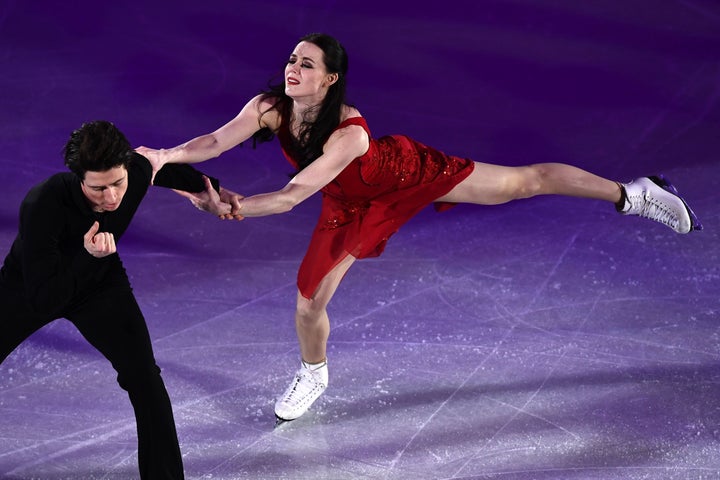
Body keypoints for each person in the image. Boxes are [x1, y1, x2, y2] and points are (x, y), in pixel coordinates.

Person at [136, 33, 701, 424]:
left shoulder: (350, 135)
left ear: (330, 80)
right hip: (348, 203)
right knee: (308, 302)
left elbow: (288, 198)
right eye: (292, 59)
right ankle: (314, 374)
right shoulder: (268, 106)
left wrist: (234, 209)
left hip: (403, 175)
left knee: (523, 183)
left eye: (308, 65)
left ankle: (634, 194)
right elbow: (212, 143)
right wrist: (163, 156)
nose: (294, 69)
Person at [0, 120, 231, 478]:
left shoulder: (133, 172)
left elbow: (159, 167)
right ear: (79, 178)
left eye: (118, 183)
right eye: (98, 188)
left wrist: (212, 191)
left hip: (99, 283)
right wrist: (86, 257)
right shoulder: (42, 203)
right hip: (33, 285)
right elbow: (46, 299)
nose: (111, 198)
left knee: (145, 380)